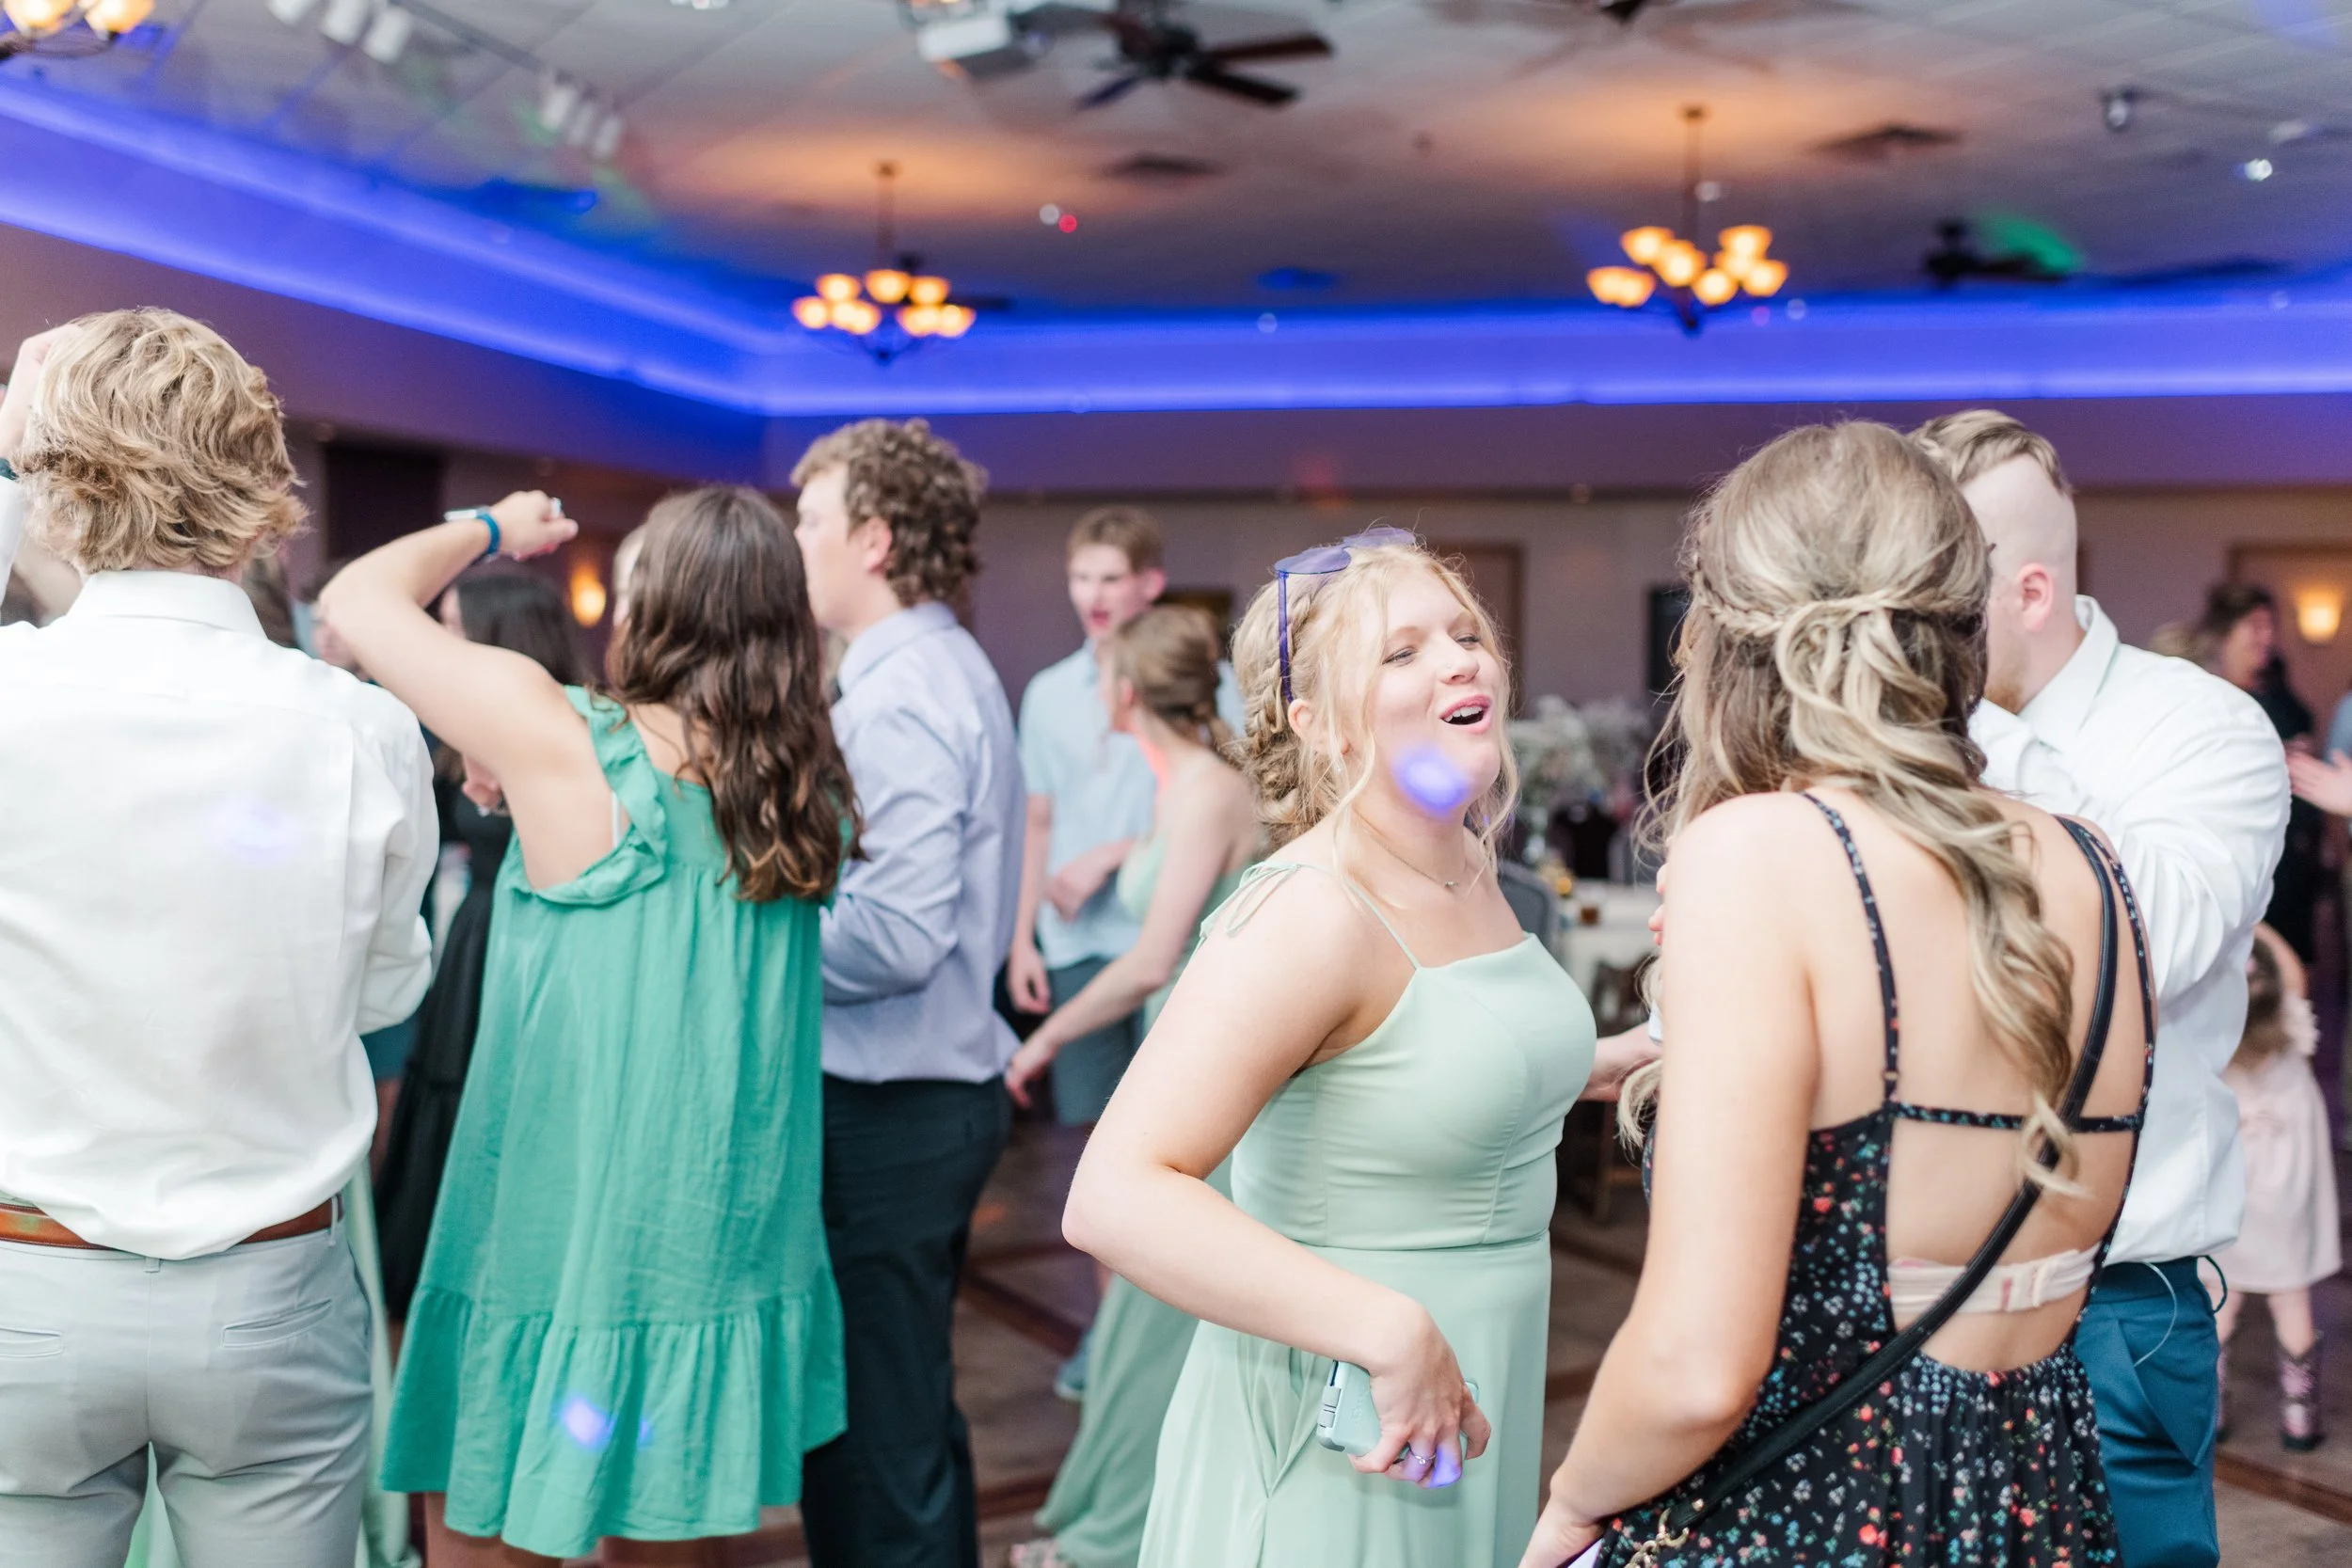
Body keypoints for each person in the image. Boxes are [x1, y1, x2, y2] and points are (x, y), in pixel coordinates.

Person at [1522, 420, 2154, 1567]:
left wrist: (1571, 1504)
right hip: (2033, 1501)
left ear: (1732, 637)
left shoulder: (1759, 852)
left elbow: (1696, 1369)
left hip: (1813, 1509)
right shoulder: (2091, 865)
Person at [329, 485, 859, 1564]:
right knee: (657, 1517)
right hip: (705, 1241)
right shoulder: (801, 782)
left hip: (552, 1230)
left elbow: (356, 597)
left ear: (652, 603)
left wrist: (495, 527)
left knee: (485, 1519)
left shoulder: (567, 738)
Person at [1065, 530, 1609, 1567]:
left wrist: (1602, 1061)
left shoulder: (1463, 865)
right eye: (1401, 651)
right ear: (1319, 723)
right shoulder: (1309, 911)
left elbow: (1422, 1064)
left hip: (1468, 1398)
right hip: (1339, 1422)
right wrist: (1383, 1327)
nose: (1460, 661)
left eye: (1465, 635)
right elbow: (1111, 1196)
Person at [0, 310, 436, 1567]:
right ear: (257, 496)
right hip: (269, 1291)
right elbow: (382, 993)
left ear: (55, 489)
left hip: (28, 1286)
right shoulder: (361, 728)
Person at [1911, 409, 2288, 1568]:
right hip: (1900, 1298)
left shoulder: (2201, 727)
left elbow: (2146, 950)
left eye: (1928, 593)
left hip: (2111, 1309)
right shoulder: (1890, 742)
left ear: (2025, 592)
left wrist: (1972, 737)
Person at [787, 419, 1026, 1568]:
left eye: (809, 520)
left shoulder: (900, 693)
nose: (795, 542)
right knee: (900, 1418)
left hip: (890, 1106)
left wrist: (750, 939)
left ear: (874, 539)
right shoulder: (927, 667)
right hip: (918, 1097)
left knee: (873, 1441)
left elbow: (892, 936)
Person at [1006, 605, 1259, 1568]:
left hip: (1206, 1074)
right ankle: (1115, 1519)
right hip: (1173, 1060)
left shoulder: (1206, 789)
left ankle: (1119, 1539)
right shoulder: (1181, 781)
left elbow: (1155, 956)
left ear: (1126, 693)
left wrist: (1042, 1037)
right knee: (1134, 1314)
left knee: (1157, 1318)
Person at [372, 570, 587, 1320]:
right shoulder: (462, 730)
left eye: (456, 625)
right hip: (478, 936)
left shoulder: (563, 729)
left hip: (540, 939)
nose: (443, 641)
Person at [2214, 927, 2338, 1451]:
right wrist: (2256, 923)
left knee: (2220, 1299)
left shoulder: (2212, 1044)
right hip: (2286, 1197)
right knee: (2292, 1301)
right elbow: (2293, 975)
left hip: (2233, 1195)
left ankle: (2212, 1409)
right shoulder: (2291, 1030)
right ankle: (2299, 1417)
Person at [2182, 583, 2325, 966]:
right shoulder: (2200, 695)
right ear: (2225, 633)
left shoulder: (2281, 700)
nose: (2267, 637)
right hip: (2225, 857)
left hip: (2285, 863)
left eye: (2270, 626)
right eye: (2256, 625)